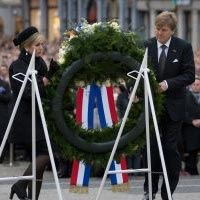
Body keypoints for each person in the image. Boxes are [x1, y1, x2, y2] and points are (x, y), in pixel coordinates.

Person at [143, 11, 195, 200]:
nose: (159, 33)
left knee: (169, 149)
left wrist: (167, 84)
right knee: (152, 149)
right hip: (152, 107)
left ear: (172, 31)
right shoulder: (146, 45)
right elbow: (136, 71)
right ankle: (150, 190)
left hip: (174, 106)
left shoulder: (183, 47)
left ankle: (167, 192)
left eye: (163, 30)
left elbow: (189, 75)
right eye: (157, 29)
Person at [9, 26, 58, 200]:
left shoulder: (40, 63)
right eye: (37, 45)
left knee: (41, 163)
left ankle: (31, 197)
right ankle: (20, 184)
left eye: (42, 45)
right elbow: (27, 93)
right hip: (25, 118)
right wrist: (45, 79)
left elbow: (46, 91)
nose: (41, 48)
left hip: (39, 116)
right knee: (47, 153)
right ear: (27, 46)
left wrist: (54, 74)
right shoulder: (17, 66)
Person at [182, 77, 200, 175]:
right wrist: (192, 121)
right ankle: (191, 170)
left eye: (198, 84)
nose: (196, 86)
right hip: (190, 129)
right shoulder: (185, 96)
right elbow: (182, 113)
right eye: (194, 84)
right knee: (191, 152)